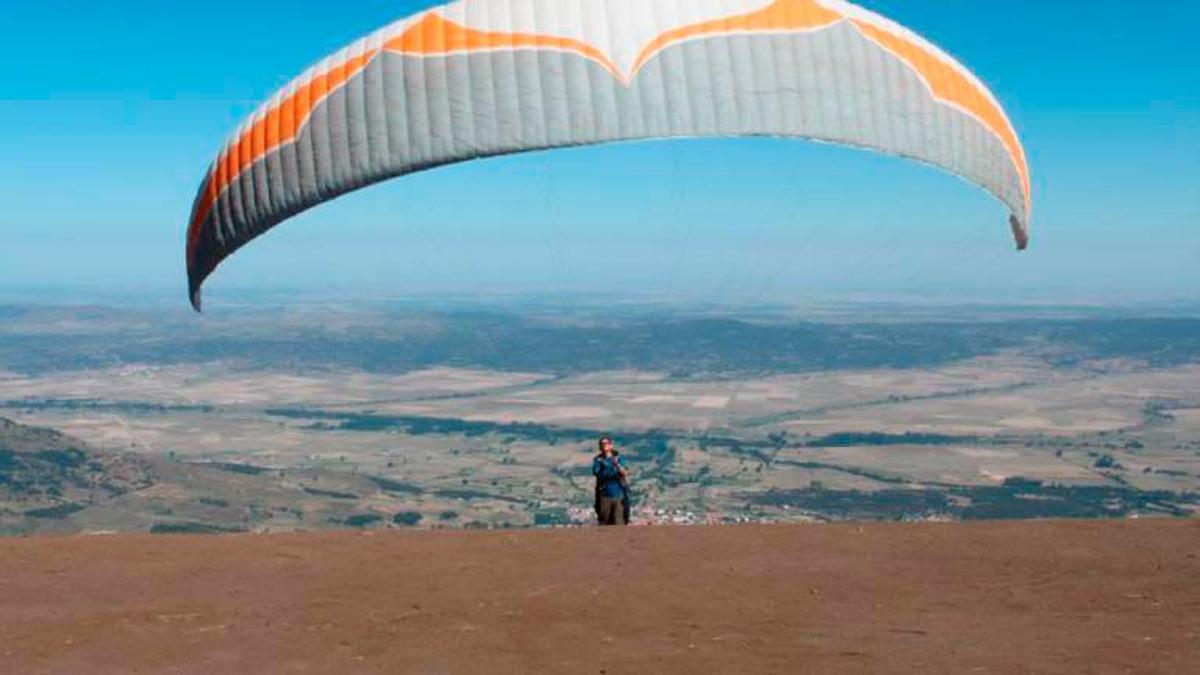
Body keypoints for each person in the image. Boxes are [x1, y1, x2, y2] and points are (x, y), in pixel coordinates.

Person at [592, 436, 628, 526]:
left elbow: (625, 472)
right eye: (602, 444)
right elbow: (597, 473)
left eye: (606, 443)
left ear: (611, 445)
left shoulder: (618, 458)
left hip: (619, 493)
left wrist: (616, 464)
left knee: (619, 521)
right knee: (604, 521)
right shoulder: (597, 460)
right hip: (604, 494)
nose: (604, 445)